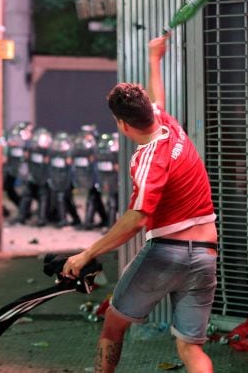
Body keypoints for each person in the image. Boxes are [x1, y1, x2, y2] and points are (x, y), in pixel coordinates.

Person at [62, 34, 218, 373]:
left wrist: (88, 253)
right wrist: (153, 59)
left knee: (113, 324)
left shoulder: (148, 161)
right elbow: (156, 98)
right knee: (190, 348)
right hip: (206, 255)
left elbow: (136, 218)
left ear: (122, 125)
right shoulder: (167, 125)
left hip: (168, 253)